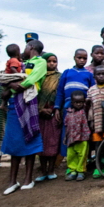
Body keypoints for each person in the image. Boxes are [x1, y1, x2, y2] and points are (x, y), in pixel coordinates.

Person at [0, 40, 46, 194]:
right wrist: (10, 85)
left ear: (31, 47)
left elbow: (31, 80)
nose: (23, 50)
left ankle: (28, 179)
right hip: (14, 104)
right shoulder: (20, 63)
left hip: (29, 102)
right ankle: (12, 181)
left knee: (29, 138)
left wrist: (14, 87)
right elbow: (7, 77)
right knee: (14, 140)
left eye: (25, 47)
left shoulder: (40, 62)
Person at [35, 53, 62, 182]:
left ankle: (51, 170)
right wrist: (40, 109)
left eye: (54, 61)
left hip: (54, 112)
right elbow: (34, 94)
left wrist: (55, 109)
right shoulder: (38, 76)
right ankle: (43, 171)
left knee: (53, 141)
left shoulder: (60, 77)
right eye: (49, 61)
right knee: (41, 142)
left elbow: (60, 94)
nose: (52, 63)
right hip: (39, 113)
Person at [86, 65, 104, 176]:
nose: (101, 76)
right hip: (96, 122)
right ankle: (98, 167)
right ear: (94, 76)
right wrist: (91, 121)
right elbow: (90, 108)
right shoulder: (91, 90)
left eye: (103, 74)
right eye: (98, 74)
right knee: (97, 144)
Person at [63, 91, 91, 181]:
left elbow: (88, 105)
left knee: (82, 155)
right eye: (76, 102)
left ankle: (81, 171)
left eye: (81, 102)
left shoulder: (84, 111)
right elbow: (66, 125)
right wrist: (66, 137)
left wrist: (87, 102)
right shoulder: (69, 112)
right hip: (71, 138)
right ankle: (73, 170)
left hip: (82, 138)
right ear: (72, 102)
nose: (79, 104)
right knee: (71, 155)